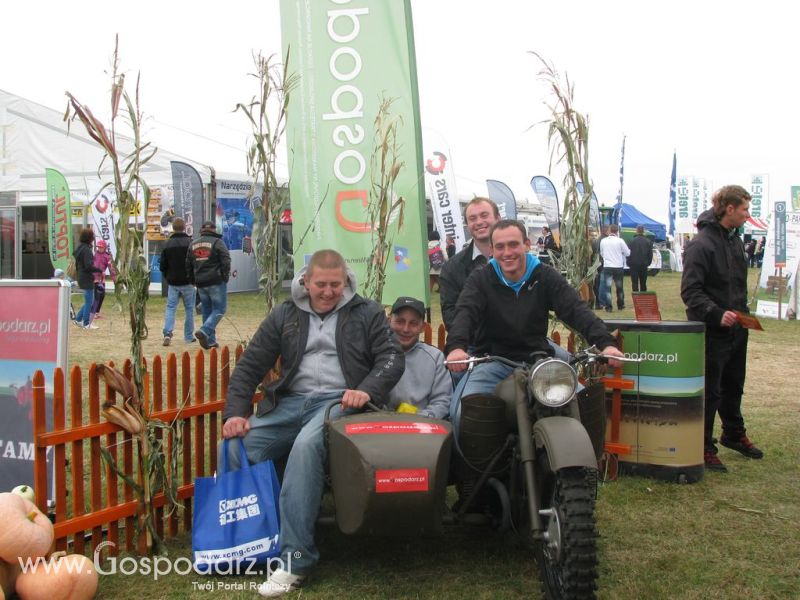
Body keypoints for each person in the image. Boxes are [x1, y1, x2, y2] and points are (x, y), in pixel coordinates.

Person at [219, 250, 404, 597]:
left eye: (336, 284)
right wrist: (234, 414)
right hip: (289, 403)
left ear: (346, 280)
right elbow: (250, 365)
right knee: (236, 445)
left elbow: (391, 358)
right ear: (306, 280)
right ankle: (248, 544)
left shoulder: (367, 312)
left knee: (306, 446)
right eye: (321, 284)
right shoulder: (285, 314)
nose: (329, 291)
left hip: (340, 403)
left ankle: (295, 561)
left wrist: (365, 390)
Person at [446, 220, 624, 419]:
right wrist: (456, 347)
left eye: (513, 244)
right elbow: (465, 312)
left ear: (527, 244)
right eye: (500, 247)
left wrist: (605, 343)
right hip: (492, 361)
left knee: (586, 405)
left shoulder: (544, 276)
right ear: (492, 251)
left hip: (538, 361)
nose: (507, 252)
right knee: (462, 414)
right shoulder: (481, 279)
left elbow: (575, 309)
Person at [681, 185, 763, 472]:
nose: (747, 215)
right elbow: (690, 292)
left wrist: (742, 315)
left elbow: (735, 286)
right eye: (744, 210)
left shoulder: (735, 241)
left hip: (738, 329)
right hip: (712, 331)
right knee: (711, 391)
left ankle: (733, 433)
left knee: (734, 386)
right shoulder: (701, 245)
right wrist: (716, 314)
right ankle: (702, 444)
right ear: (729, 208)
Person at [439, 197, 500, 332]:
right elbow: (451, 318)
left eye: (484, 215)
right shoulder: (452, 268)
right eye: (472, 218)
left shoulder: (517, 260)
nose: (479, 222)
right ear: (467, 225)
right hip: (475, 345)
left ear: (498, 218)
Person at [386, 296, 451, 419]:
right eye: (400, 322)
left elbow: (443, 402)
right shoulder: (376, 352)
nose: (405, 329)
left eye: (413, 323)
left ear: (423, 327)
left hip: (422, 426)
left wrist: (418, 417)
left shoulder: (435, 358)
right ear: (389, 321)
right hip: (380, 423)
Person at [187, 221, 230, 349]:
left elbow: (188, 264)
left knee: (207, 309)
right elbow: (226, 260)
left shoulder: (193, 244)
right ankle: (205, 331)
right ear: (214, 230)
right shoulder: (218, 242)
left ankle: (210, 341)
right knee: (219, 309)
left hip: (201, 282)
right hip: (216, 281)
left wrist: (192, 280)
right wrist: (225, 276)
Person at [159, 217, 195, 346]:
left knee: (171, 308)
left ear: (173, 228)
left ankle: (168, 333)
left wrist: (167, 276)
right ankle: (189, 336)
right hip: (188, 281)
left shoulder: (167, 243)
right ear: (185, 227)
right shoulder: (190, 243)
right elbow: (194, 262)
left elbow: (162, 264)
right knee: (189, 309)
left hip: (173, 282)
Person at [72, 228, 101, 329]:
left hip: (81, 276)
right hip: (86, 278)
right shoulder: (87, 250)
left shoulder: (80, 248)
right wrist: (99, 270)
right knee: (90, 301)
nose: (93, 238)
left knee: (88, 301)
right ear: (89, 238)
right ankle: (86, 323)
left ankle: (78, 319)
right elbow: (88, 266)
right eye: (92, 237)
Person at [599, 224, 630, 311]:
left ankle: (609, 307)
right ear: (617, 231)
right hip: (618, 266)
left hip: (608, 266)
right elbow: (627, 253)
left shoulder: (603, 241)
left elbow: (602, 253)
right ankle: (620, 305)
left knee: (607, 288)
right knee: (619, 287)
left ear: (609, 230)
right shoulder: (620, 241)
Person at [89, 239, 116, 325]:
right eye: (98, 247)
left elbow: (111, 268)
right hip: (94, 278)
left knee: (102, 295)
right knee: (97, 296)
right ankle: (92, 313)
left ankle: (97, 312)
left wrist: (114, 278)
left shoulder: (107, 256)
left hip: (102, 279)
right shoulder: (94, 255)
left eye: (101, 247)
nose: (99, 248)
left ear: (104, 248)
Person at [627, 224, 654, 292]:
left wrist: (628, 262)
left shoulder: (631, 241)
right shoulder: (648, 241)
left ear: (636, 231)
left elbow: (628, 253)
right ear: (643, 231)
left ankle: (636, 298)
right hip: (644, 264)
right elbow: (650, 254)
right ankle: (643, 298)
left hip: (633, 264)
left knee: (634, 283)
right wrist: (648, 263)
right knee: (643, 283)